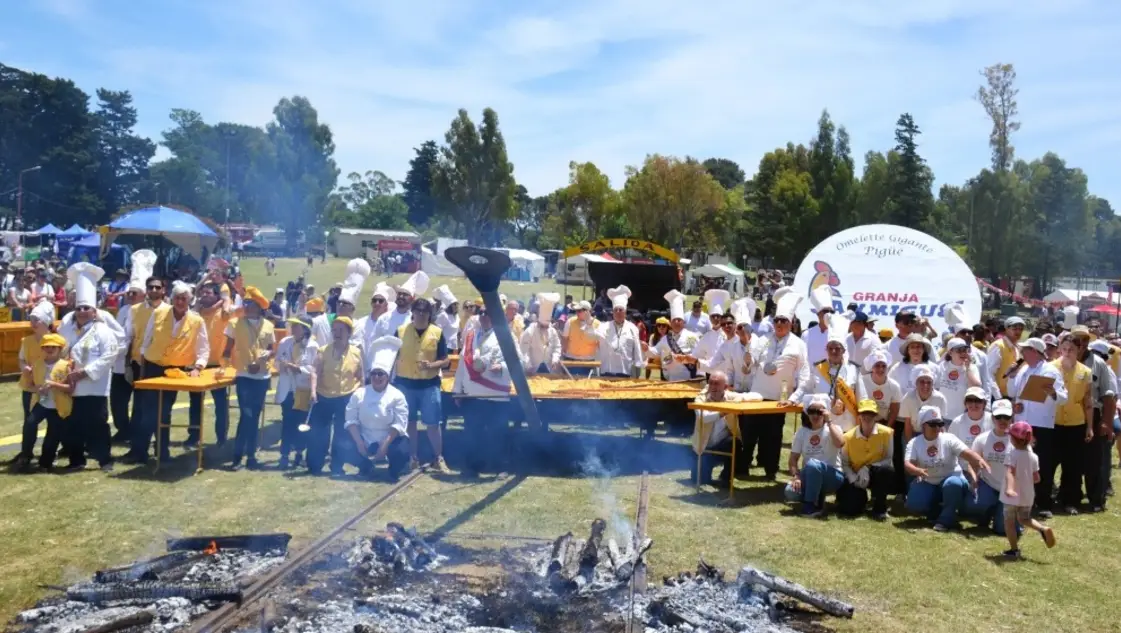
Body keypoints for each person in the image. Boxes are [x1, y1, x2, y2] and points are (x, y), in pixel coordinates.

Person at [126, 280, 210, 465]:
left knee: (164, 412)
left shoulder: (197, 320)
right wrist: (141, 366)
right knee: (147, 411)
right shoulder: (158, 313)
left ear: (190, 300)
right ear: (172, 299)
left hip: (175, 371)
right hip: (152, 366)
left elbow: (203, 349)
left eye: (184, 299)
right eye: (177, 298)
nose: (180, 302)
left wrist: (198, 367)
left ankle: (162, 451)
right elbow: (146, 341)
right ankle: (140, 451)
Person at [57, 263, 119, 472]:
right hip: (72, 387)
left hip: (95, 386)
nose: (82, 311)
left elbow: (109, 355)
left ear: (94, 311)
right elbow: (60, 350)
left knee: (99, 424)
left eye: (86, 308)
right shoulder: (68, 328)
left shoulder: (103, 330)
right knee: (73, 424)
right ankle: (76, 460)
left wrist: (84, 372)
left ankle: (105, 460)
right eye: (79, 308)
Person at [743, 287, 809, 479]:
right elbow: (749, 368)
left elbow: (805, 376)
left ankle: (770, 470)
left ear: (791, 323)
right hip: (757, 396)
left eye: (784, 321)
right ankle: (742, 467)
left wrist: (794, 398)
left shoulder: (798, 344)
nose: (779, 324)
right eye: (777, 320)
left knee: (773, 437)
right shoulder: (763, 340)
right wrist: (748, 361)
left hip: (778, 399)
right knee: (748, 434)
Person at [904, 405, 991, 531]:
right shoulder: (915, 442)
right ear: (923, 426)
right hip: (928, 480)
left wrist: (979, 460)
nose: (937, 428)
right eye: (932, 424)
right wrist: (917, 470)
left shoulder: (948, 439)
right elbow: (908, 464)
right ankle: (935, 511)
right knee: (914, 504)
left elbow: (966, 452)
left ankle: (946, 519)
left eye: (940, 424)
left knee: (953, 484)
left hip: (950, 477)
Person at [215, 287, 275, 469]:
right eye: (246, 303)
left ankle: (248, 456)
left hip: (263, 375)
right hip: (243, 374)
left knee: (254, 416)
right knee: (247, 414)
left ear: (259, 307)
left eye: (250, 304)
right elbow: (227, 348)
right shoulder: (234, 323)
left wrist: (268, 354)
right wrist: (223, 364)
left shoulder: (269, 325)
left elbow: (272, 348)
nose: (247, 307)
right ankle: (240, 455)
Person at [1007, 337, 1067, 519]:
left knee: (1042, 465)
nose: (1022, 353)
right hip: (1021, 422)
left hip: (1041, 424)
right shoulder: (1023, 369)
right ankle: (1022, 499)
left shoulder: (1050, 370)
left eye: (1025, 350)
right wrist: (1014, 399)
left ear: (1034, 351)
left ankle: (1044, 503)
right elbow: (1012, 392)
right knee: (1019, 461)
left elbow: (1064, 397)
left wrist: (1053, 393)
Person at [393, 297, 450, 473]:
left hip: (429, 384)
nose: (421, 314)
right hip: (405, 383)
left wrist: (432, 366)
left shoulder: (437, 333)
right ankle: (412, 458)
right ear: (412, 312)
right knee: (409, 423)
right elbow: (392, 356)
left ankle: (438, 458)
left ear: (429, 314)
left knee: (433, 423)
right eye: (417, 310)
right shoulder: (400, 331)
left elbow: (445, 360)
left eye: (424, 311)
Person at [452, 308, 512, 476]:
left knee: (498, 433)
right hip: (473, 394)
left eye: (488, 312)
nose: (485, 316)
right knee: (472, 433)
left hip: (496, 395)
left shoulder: (505, 335)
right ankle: (472, 467)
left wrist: (501, 368)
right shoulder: (470, 335)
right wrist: (457, 390)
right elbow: (463, 365)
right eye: (482, 313)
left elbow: (519, 362)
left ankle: (501, 467)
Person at [344, 336, 411, 481]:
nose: (377, 377)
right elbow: (350, 420)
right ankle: (365, 465)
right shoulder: (359, 393)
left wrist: (385, 445)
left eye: (381, 374)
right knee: (340, 444)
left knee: (402, 450)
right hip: (365, 437)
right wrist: (359, 443)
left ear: (387, 377)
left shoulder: (397, 395)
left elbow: (399, 424)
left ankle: (394, 470)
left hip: (388, 438)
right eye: (374, 373)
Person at [307, 317, 364, 475]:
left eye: (341, 330)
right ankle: (315, 465)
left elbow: (361, 377)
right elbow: (314, 372)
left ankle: (337, 466)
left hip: (346, 397)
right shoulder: (323, 351)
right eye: (334, 330)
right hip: (323, 396)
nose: (337, 333)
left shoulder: (357, 352)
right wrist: (313, 391)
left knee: (342, 433)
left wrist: (361, 396)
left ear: (349, 333)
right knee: (319, 432)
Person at [1069, 328, 1117, 513]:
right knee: (1071, 458)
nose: (1078, 344)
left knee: (1093, 461)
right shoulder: (1063, 361)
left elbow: (1108, 395)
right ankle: (1071, 497)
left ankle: (1096, 499)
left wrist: (1106, 421)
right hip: (1069, 416)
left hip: (1094, 415)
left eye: (1082, 340)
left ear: (1087, 342)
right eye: (1075, 340)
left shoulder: (1099, 364)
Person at [1047, 335, 1094, 514]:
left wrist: (1089, 426)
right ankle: (1045, 499)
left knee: (1073, 465)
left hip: (1076, 423)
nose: (1067, 353)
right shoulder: (1050, 368)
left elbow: (1088, 401)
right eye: (1064, 349)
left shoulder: (1085, 372)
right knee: (1049, 462)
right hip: (1053, 422)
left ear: (1079, 350)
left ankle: (1070, 501)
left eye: (1072, 350)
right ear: (1059, 349)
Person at [184, 282, 233, 449]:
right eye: (203, 293)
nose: (205, 295)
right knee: (195, 403)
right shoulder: (195, 314)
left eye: (209, 293)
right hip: (196, 365)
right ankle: (193, 437)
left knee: (220, 403)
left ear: (217, 297)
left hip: (217, 366)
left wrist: (224, 300)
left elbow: (229, 301)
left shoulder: (224, 313)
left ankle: (221, 437)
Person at [14, 334, 72, 472]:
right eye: (46, 347)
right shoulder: (37, 364)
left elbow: (71, 388)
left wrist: (53, 385)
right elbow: (28, 385)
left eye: (53, 347)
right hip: (42, 404)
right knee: (30, 422)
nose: (50, 349)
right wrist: (37, 389)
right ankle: (26, 453)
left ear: (60, 349)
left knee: (53, 434)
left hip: (58, 406)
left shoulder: (66, 365)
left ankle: (46, 462)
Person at [1000, 421, 1057, 559]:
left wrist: (1009, 488)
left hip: (1012, 496)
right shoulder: (1034, 456)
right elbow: (1036, 478)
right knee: (1024, 518)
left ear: (1013, 439)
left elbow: (1010, 472)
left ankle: (1014, 550)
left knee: (1009, 522)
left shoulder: (1011, 454)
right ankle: (1042, 529)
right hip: (1028, 495)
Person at [784, 393, 846, 516]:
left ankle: (810, 506)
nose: (815, 415)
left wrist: (829, 421)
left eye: (819, 412)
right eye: (812, 411)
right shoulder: (801, 432)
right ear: (807, 413)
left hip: (833, 475)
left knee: (813, 465)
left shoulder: (834, 428)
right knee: (790, 492)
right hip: (810, 474)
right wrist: (796, 476)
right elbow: (793, 459)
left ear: (825, 413)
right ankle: (818, 498)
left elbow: (840, 443)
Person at [965, 399, 1016, 535]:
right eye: (998, 417)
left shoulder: (1019, 441)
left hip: (1009, 491)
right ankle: (986, 514)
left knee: (1002, 530)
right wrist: (974, 478)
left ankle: (1009, 518)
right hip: (988, 485)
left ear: (1012, 418)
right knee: (972, 505)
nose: (1002, 420)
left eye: (1006, 417)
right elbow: (972, 462)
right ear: (992, 418)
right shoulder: (982, 439)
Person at [837, 399, 894, 520]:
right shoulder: (848, 437)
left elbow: (888, 459)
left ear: (876, 416)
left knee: (887, 470)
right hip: (856, 475)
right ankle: (861, 499)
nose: (867, 417)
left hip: (876, 472)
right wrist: (853, 479)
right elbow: (844, 463)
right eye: (864, 414)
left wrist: (868, 468)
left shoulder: (887, 433)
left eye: (871, 414)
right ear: (859, 416)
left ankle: (880, 508)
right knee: (849, 510)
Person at [274, 315, 318, 469]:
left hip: (303, 391)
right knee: (287, 423)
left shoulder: (313, 346)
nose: (293, 328)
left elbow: (314, 369)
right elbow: (277, 362)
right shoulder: (285, 342)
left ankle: (299, 453)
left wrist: (298, 368)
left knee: (302, 424)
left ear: (305, 329)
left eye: (297, 326)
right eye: (292, 325)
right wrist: (283, 366)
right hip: (287, 390)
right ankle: (284, 455)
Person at [692, 370, 747, 485]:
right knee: (699, 481)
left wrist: (736, 401)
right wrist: (723, 412)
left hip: (721, 446)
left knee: (735, 442)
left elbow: (758, 396)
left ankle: (725, 478)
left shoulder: (730, 397)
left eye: (716, 383)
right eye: (710, 383)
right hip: (704, 448)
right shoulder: (700, 399)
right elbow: (704, 417)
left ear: (725, 387)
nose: (712, 386)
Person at [809, 311, 859, 432]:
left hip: (847, 424)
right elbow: (806, 388)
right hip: (822, 423)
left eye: (837, 348)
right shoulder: (818, 368)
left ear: (843, 350)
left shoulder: (854, 369)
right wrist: (792, 399)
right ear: (826, 350)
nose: (834, 351)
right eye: (830, 348)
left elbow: (861, 397)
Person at [596, 285, 646, 377]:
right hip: (606, 371)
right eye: (616, 310)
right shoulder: (603, 327)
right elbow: (595, 342)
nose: (618, 312)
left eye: (621, 310)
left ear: (625, 311)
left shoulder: (632, 328)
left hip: (625, 372)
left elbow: (637, 352)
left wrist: (637, 371)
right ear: (613, 312)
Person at [937, 337, 983, 420]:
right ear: (950, 352)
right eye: (959, 350)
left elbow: (976, 388)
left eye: (965, 350)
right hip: (942, 416)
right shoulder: (942, 366)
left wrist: (967, 368)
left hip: (962, 417)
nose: (963, 353)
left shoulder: (972, 368)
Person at [899, 366, 948, 442]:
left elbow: (940, 425)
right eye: (922, 382)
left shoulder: (940, 399)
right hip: (913, 432)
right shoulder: (908, 398)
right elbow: (908, 424)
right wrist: (910, 444)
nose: (926, 385)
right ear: (916, 383)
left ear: (933, 384)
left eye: (929, 382)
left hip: (933, 433)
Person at [374, 271, 427, 341]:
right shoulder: (384, 318)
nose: (401, 296)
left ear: (412, 299)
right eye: (399, 294)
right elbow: (375, 340)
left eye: (405, 295)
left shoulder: (415, 320)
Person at [521, 292, 562, 374]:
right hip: (533, 369)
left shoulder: (552, 331)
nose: (546, 328)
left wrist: (555, 359)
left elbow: (557, 347)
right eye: (543, 326)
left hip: (549, 369)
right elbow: (524, 350)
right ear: (539, 322)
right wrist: (528, 365)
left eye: (547, 326)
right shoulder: (530, 331)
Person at [988, 317, 1026, 398]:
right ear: (1006, 329)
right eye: (1015, 328)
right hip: (998, 396)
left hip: (1013, 396)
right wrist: (997, 397)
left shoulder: (1018, 348)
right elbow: (989, 374)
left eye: (1021, 329)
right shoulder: (998, 346)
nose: (1018, 331)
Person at [562, 300, 601, 369]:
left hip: (589, 360)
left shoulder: (597, 324)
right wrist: (564, 351)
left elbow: (599, 343)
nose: (577, 312)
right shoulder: (570, 321)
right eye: (576, 310)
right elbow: (565, 338)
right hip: (571, 359)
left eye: (579, 311)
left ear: (587, 311)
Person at [803, 286, 834, 366]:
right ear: (818, 314)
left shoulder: (838, 333)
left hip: (831, 376)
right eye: (825, 311)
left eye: (831, 312)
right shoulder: (806, 334)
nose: (828, 314)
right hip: (810, 376)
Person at [432, 285, 460, 352]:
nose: (456, 306)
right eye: (454, 304)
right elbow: (436, 330)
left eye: (456, 304)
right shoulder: (443, 315)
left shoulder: (457, 316)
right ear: (449, 306)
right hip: (445, 346)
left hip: (454, 347)